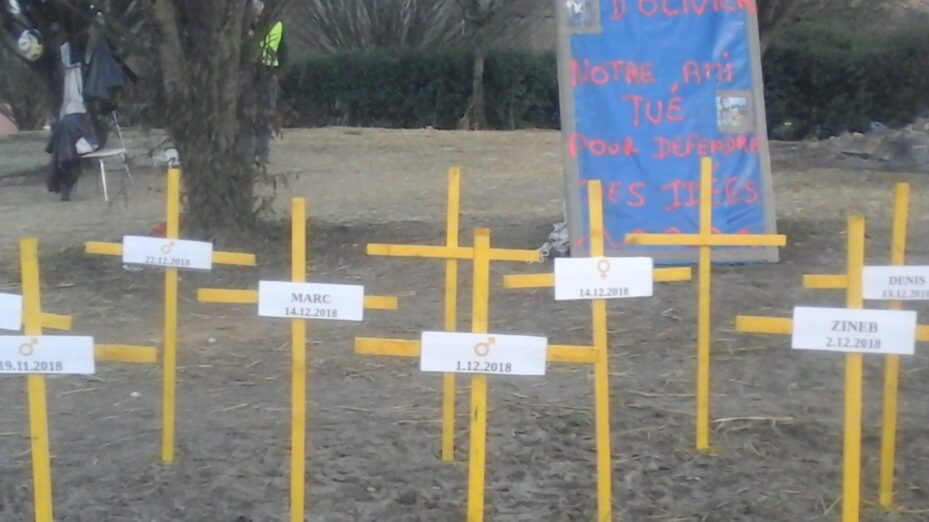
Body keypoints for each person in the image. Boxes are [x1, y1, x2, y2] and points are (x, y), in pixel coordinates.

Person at [246, 0, 286, 166]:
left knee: (264, 115)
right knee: (250, 115)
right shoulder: (241, 29)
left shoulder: (274, 26)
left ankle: (261, 153)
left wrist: (278, 73)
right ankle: (251, 153)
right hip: (250, 77)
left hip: (267, 76)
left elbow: (283, 52)